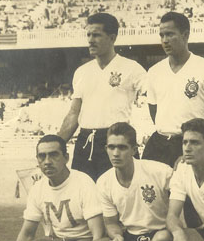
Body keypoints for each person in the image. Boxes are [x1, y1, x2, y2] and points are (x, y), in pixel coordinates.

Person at [3, 135, 104, 241]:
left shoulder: (83, 182)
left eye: (53, 155)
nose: (47, 161)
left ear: (66, 157)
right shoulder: (38, 188)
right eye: (42, 156)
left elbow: (98, 233)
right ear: (37, 160)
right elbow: (27, 233)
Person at [77, 122, 172, 241]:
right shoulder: (104, 182)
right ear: (105, 148)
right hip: (130, 238)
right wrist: (117, 236)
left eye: (122, 147)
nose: (115, 153)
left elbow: (180, 205)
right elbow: (111, 222)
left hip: (161, 236)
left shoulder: (159, 171)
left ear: (134, 149)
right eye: (111, 147)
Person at [57, 12, 146, 181]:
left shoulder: (132, 68)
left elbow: (155, 97)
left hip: (116, 141)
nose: (90, 40)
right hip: (85, 142)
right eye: (88, 34)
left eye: (96, 35)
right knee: (84, 196)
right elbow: (74, 113)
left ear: (112, 37)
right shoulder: (82, 72)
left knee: (122, 196)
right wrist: (57, 144)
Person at [142, 12, 204, 168]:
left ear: (185, 35)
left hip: (187, 145)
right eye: (162, 35)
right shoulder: (154, 71)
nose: (165, 40)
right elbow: (153, 110)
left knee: (185, 191)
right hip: (158, 143)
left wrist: (199, 141)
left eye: (170, 34)